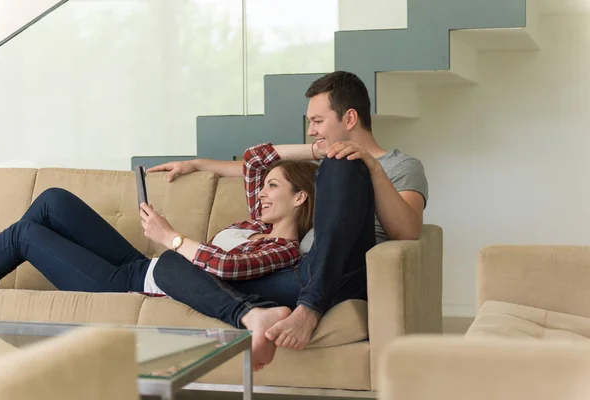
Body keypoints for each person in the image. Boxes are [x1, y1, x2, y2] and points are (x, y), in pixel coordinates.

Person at [147, 70, 429, 370]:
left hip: (347, 272)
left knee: (343, 163)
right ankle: (253, 316)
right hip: (302, 271)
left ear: (349, 119)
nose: (310, 131)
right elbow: (255, 163)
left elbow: (407, 231)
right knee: (169, 264)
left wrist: (371, 166)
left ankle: (309, 310)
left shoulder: (402, 166)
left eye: (318, 122)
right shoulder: (323, 162)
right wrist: (195, 164)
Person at [0, 144, 318, 370]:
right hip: (140, 265)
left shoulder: (283, 249)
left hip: (129, 284)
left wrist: (170, 237)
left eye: (272, 186)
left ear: (300, 197)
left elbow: (225, 266)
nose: (261, 192)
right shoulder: (255, 223)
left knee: (24, 235)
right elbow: (255, 158)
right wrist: (318, 149)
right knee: (52, 201)